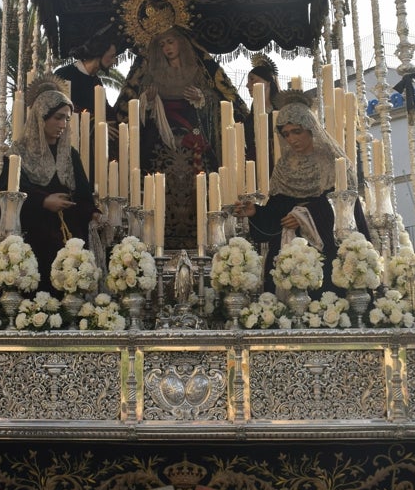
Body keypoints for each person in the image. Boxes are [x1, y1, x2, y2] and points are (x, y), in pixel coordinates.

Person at [117, 27, 246, 250]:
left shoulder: (198, 72)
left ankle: (205, 244)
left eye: (170, 42)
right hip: (159, 146)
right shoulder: (151, 74)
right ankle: (156, 245)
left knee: (202, 190)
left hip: (193, 144)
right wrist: (146, 101)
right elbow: (135, 112)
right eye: (162, 45)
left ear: (181, 44)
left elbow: (221, 105)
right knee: (155, 192)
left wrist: (202, 98)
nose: (167, 48)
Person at [236, 97, 369, 293]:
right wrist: (255, 212)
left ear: (310, 128)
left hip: (325, 256)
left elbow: (346, 212)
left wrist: (305, 215)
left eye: (296, 131)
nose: (292, 139)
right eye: (286, 134)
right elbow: (277, 214)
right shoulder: (283, 167)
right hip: (286, 256)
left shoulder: (333, 163)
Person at [0, 77, 97, 290]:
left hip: (71, 246)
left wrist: (95, 213)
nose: (63, 124)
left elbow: (83, 197)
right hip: (33, 244)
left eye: (67, 119)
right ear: (41, 117)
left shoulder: (70, 155)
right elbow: (7, 197)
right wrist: (43, 201)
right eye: (58, 117)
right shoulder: (18, 153)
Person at [56, 29, 118, 117]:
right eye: (112, 56)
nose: (114, 61)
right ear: (99, 54)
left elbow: (107, 113)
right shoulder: (63, 74)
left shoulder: (97, 83)